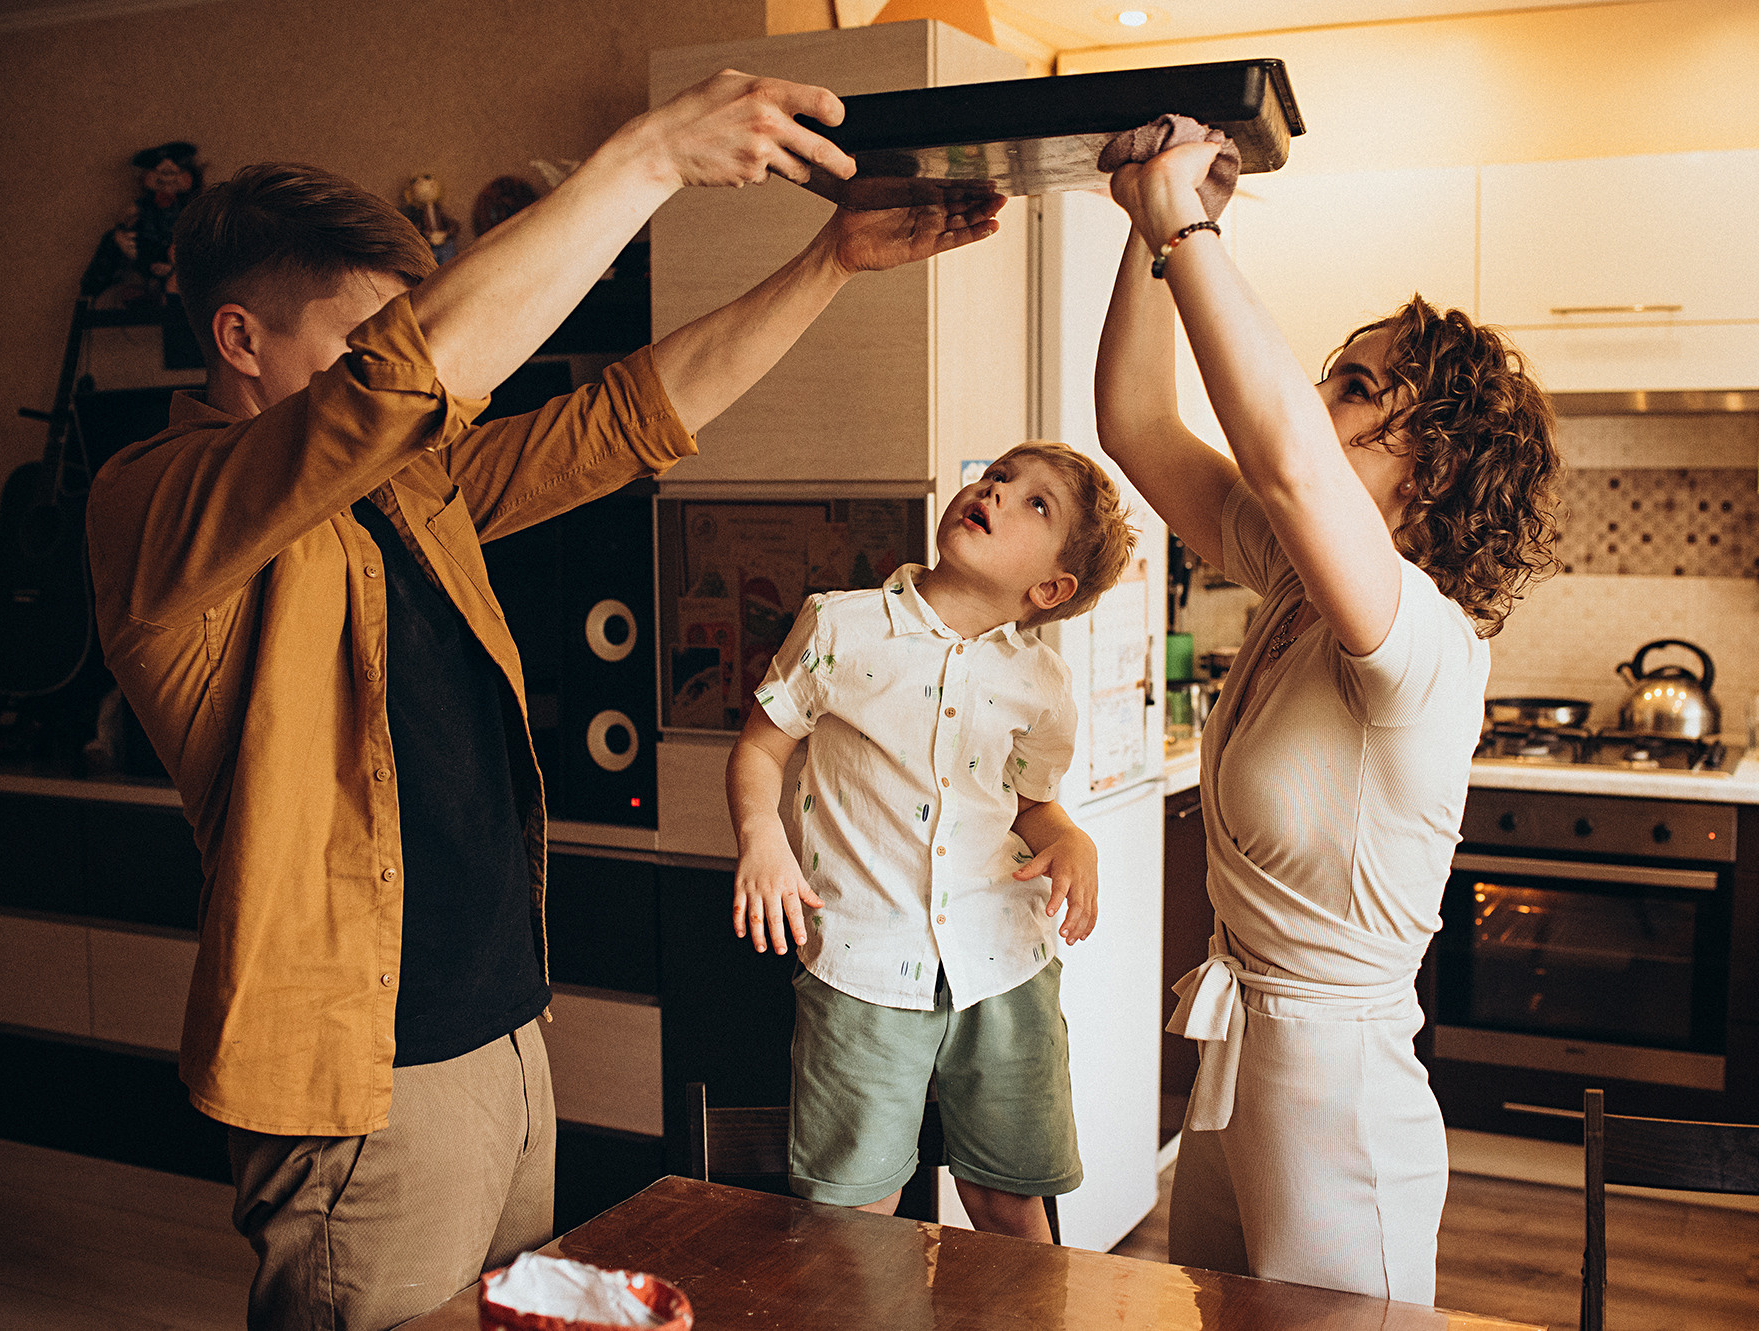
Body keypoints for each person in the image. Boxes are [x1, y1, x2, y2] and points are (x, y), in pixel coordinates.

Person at [84, 69, 1003, 1331]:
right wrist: (650, 158)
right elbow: (402, 385)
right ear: (239, 339)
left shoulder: (411, 487)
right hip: (365, 1077)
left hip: (504, 1038)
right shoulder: (155, 500)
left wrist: (828, 262)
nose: (404, 372)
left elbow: (630, 416)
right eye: (362, 339)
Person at [1094, 141, 1560, 1301]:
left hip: (1338, 1092)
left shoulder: (1425, 642)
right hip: (1242, 1058)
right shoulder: (1299, 588)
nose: (1313, 401)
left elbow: (1290, 463)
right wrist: (1145, 232)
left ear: (1434, 460)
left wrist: (1189, 233)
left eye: (1353, 389)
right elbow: (1138, 423)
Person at [725, 441, 1137, 1240]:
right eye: (997, 477)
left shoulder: (1042, 685)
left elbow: (1032, 804)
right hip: (861, 965)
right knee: (856, 1212)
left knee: (1009, 1202)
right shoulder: (838, 625)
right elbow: (760, 747)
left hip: (1006, 967)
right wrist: (760, 835)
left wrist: (1072, 838)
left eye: (1035, 502)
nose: (995, 491)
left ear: (1049, 588)